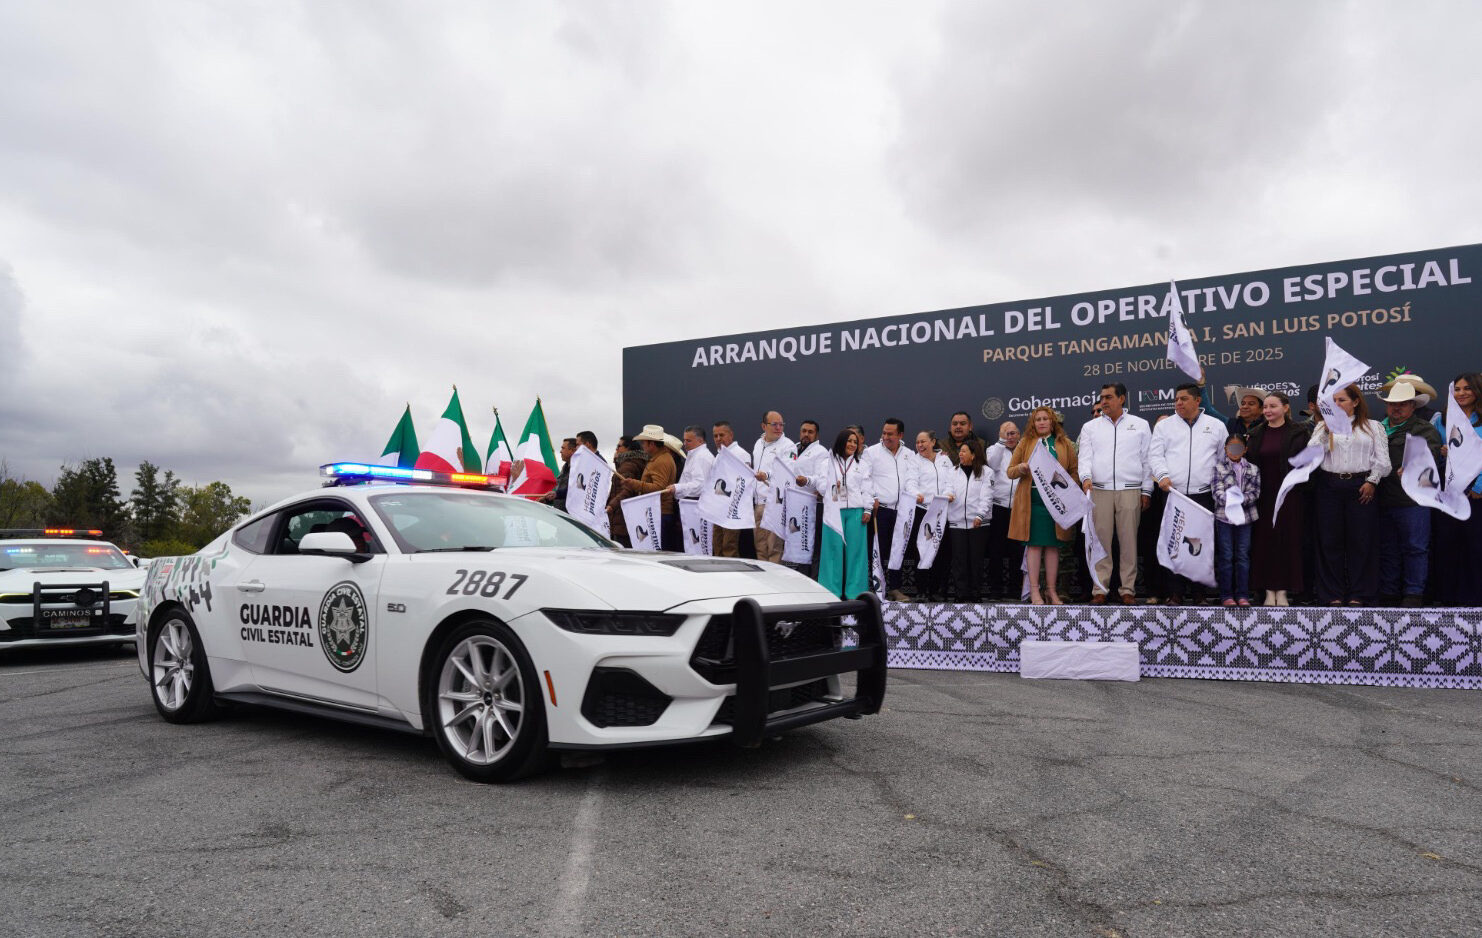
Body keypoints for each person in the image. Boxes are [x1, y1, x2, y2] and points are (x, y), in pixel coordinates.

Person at [1306, 384, 1391, 605]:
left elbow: (1383, 461)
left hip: (1361, 485)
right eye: (1333, 401)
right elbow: (1311, 456)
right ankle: (1331, 594)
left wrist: (1372, 481)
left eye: (1341, 400)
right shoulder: (1322, 426)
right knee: (1329, 541)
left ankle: (1360, 594)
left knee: (1362, 541)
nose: (1336, 404)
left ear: (1355, 402)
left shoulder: (1373, 426)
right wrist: (1327, 431)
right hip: (1329, 485)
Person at [1148, 382, 1227, 604]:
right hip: (1174, 493)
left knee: (1200, 544)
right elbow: (1155, 455)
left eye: (1183, 399)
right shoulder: (1164, 427)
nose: (1178, 403)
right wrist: (1162, 475)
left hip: (1204, 495)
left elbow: (1222, 458)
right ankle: (1175, 592)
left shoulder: (1216, 426)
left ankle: (1199, 593)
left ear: (1197, 400)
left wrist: (1216, 484)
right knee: (1174, 544)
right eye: (1176, 399)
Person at [1077, 383, 1153, 605]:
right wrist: (1085, 478)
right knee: (1100, 542)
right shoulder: (1090, 427)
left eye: (1109, 397)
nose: (1104, 401)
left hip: (1130, 489)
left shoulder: (1140, 425)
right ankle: (1099, 589)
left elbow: (1147, 460)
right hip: (1099, 490)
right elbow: (1085, 457)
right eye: (1102, 397)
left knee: (1129, 542)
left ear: (1122, 399)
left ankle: (1127, 589)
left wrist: (1147, 489)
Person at [1376, 382, 1443, 607]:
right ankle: (1389, 592)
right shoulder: (1376, 429)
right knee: (1387, 548)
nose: (1396, 408)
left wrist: (1415, 465)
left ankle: (1414, 593)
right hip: (1382, 499)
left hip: (1413, 501)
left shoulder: (1423, 429)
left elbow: (1431, 454)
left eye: (1402, 404)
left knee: (1415, 548)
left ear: (1413, 406)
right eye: (1392, 404)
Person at [1245, 392, 1312, 605]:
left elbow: (1309, 463)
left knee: (1287, 541)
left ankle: (1283, 590)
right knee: (1264, 543)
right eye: (1265, 407)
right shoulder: (1255, 433)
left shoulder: (1300, 432)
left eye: (1272, 406)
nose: (1267, 410)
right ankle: (1267, 590)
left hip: (1290, 495)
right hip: (1262, 496)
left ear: (1285, 407)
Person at [1007, 406, 1078, 605]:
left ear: (1052, 421)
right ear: (1033, 423)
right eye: (1038, 419)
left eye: (1045, 418)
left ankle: (1051, 591)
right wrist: (1021, 468)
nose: (1041, 422)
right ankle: (1035, 591)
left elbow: (1074, 472)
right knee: (1034, 546)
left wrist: (1069, 494)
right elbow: (1010, 471)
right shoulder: (1025, 442)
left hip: (1056, 504)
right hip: (1033, 504)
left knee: (1054, 546)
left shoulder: (1064, 443)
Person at [796, 429, 873, 599]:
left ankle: (855, 592)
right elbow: (820, 484)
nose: (852, 444)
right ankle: (831, 591)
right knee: (832, 551)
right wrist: (832, 487)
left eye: (855, 442)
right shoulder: (827, 463)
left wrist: (868, 509)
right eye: (849, 441)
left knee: (856, 553)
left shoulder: (862, 465)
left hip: (856, 512)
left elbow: (867, 488)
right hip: (833, 511)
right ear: (841, 441)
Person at [1432, 372, 1482, 604]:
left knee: (1475, 544)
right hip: (1448, 490)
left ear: (1477, 391)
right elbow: (1431, 451)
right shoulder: (1441, 420)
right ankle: (1447, 598)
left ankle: (1474, 598)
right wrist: (1441, 452)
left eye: (1467, 388)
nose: (1461, 393)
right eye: (1457, 389)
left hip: (1475, 491)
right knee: (1447, 542)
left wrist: (1479, 486)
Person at [865, 418, 918, 601]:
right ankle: (877, 589)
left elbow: (912, 479)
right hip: (881, 510)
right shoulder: (871, 452)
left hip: (902, 511)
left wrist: (913, 495)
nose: (886, 437)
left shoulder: (909, 454)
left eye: (890, 434)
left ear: (900, 435)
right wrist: (873, 497)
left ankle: (895, 589)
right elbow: (865, 478)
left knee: (898, 550)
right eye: (884, 433)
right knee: (878, 551)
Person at [1211, 434, 1261, 606]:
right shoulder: (1218, 468)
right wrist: (1232, 500)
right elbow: (1217, 493)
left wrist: (1240, 500)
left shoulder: (1253, 469)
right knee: (1226, 556)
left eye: (1238, 447)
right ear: (1225, 449)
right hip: (1224, 519)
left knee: (1243, 556)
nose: (1234, 451)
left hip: (1245, 519)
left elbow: (1255, 493)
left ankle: (1242, 595)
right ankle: (1226, 595)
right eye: (1230, 447)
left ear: (1245, 449)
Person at [910, 430, 956, 600]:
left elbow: (951, 481)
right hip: (923, 511)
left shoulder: (945, 460)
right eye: (917, 442)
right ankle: (922, 590)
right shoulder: (914, 461)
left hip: (942, 511)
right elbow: (910, 482)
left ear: (933, 442)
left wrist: (948, 494)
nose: (920, 445)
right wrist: (916, 494)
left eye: (923, 441)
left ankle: (937, 590)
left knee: (941, 551)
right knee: (922, 550)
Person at [945, 436, 992, 602]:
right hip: (957, 522)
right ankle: (961, 594)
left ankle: (975, 593)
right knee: (959, 560)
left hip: (978, 523)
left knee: (976, 559)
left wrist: (980, 515)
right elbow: (948, 488)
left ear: (973, 454)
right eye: (960, 451)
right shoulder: (953, 471)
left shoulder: (986, 472)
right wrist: (948, 495)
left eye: (964, 451)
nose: (960, 454)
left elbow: (986, 497)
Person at [621, 425, 682, 550]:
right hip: (658, 513)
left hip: (659, 514)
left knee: (658, 553)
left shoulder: (661, 460)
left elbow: (659, 488)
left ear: (652, 444)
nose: (642, 446)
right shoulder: (660, 458)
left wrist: (634, 483)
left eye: (644, 443)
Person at [750, 411, 797, 564]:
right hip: (758, 504)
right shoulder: (758, 444)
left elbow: (787, 471)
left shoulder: (788, 446)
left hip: (776, 504)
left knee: (774, 548)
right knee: (760, 547)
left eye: (781, 424)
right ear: (764, 426)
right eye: (774, 424)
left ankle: (775, 578)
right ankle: (764, 577)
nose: (778, 428)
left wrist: (767, 475)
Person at [984, 421, 1021, 601]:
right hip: (998, 507)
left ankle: (1016, 589)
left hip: (1019, 507)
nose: (1010, 437)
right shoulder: (993, 449)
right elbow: (992, 465)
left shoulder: (1026, 449)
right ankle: (995, 589)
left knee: (1017, 551)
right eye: (1006, 433)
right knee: (996, 550)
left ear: (1019, 434)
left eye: (1013, 433)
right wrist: (1001, 443)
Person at [710, 420, 750, 558]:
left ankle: (733, 572)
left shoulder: (741, 454)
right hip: (718, 507)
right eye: (715, 436)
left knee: (729, 546)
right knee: (717, 546)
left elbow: (743, 483)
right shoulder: (718, 455)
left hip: (733, 508)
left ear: (731, 435)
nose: (718, 439)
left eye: (721, 435)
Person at [667, 424, 716, 501]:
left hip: (695, 503)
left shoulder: (701, 457)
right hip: (690, 502)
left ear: (700, 441)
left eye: (688, 441)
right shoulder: (696, 455)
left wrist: (677, 488)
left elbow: (699, 486)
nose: (685, 443)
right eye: (684, 440)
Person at [544, 437, 579, 508]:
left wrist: (556, 494)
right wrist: (547, 499)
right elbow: (559, 493)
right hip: (558, 510)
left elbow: (574, 491)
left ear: (572, 451)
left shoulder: (579, 469)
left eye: (563, 448)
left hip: (569, 512)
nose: (560, 451)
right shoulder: (565, 467)